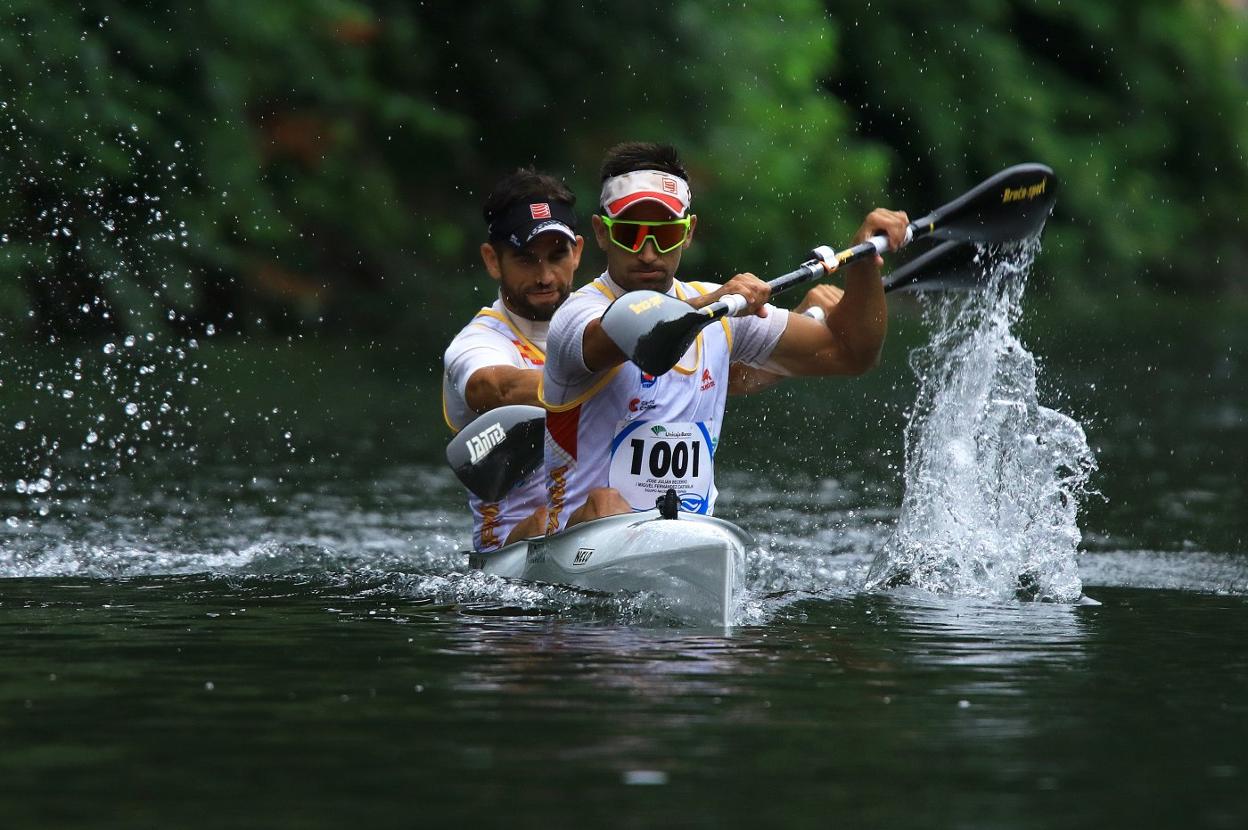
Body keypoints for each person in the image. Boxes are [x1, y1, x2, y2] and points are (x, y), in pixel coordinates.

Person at [539, 141, 908, 533]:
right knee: (606, 502)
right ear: (601, 232)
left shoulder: (725, 315)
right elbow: (626, 334)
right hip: (579, 539)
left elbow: (852, 353)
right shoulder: (576, 316)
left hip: (686, 534)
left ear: (688, 233)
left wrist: (865, 262)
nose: (648, 253)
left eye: (665, 235)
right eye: (631, 234)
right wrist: (715, 300)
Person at [442, 168, 583, 551]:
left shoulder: (596, 322)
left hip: (596, 524)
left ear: (579, 253)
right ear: (492, 260)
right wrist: (607, 376)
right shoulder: (477, 342)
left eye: (557, 256)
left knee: (608, 504)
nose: (544, 276)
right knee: (552, 519)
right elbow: (497, 388)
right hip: (509, 560)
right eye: (525, 259)